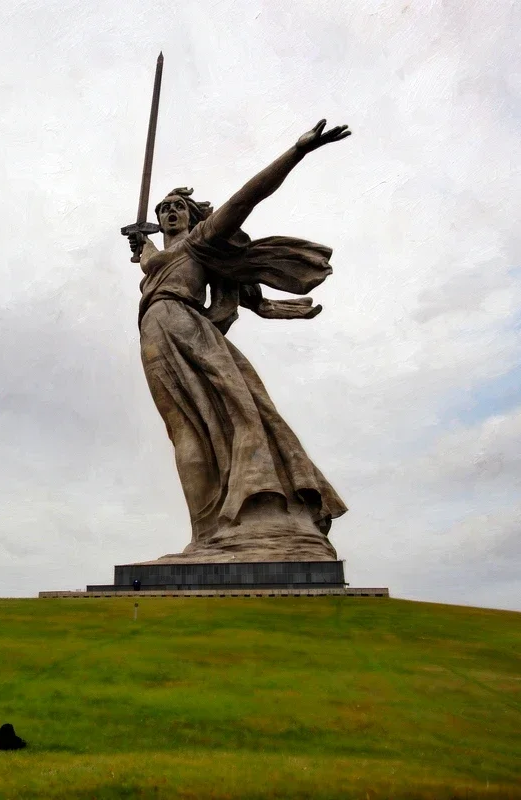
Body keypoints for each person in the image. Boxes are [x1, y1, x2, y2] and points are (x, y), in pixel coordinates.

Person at [124, 120, 351, 563]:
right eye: (163, 208)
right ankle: (206, 535)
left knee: (240, 410)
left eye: (177, 206)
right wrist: (143, 249)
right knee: (186, 431)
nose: (169, 211)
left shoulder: (204, 240)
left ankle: (252, 513)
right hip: (154, 329)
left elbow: (249, 196)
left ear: (192, 215)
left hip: (185, 323)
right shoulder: (157, 258)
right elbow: (153, 265)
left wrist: (297, 151)